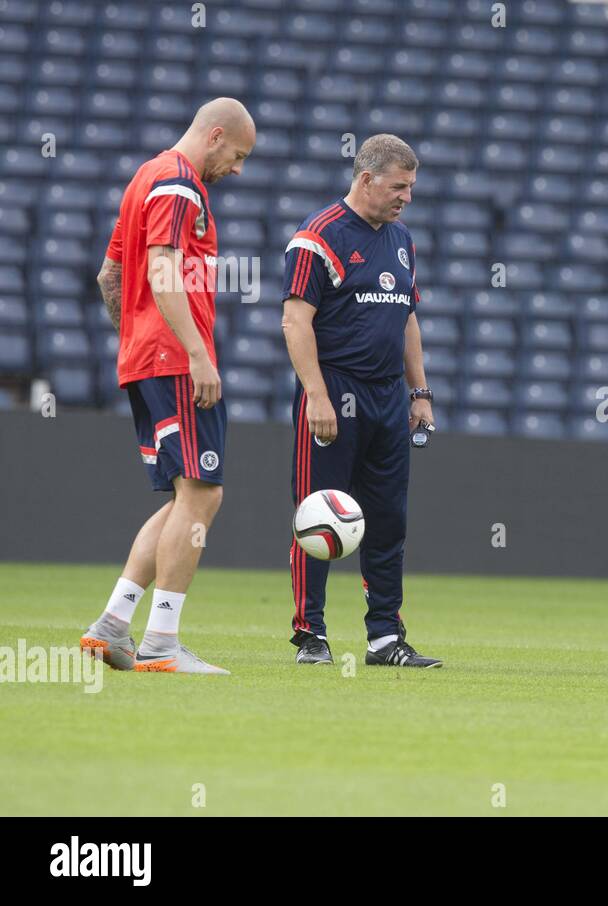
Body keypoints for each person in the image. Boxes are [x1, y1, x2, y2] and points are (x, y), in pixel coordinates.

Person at [79, 98, 256, 675]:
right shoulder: (180, 183)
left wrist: (136, 340)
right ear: (216, 135)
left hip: (145, 358)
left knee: (187, 497)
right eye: (237, 155)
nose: (238, 169)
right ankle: (161, 642)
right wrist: (196, 354)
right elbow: (160, 268)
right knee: (204, 493)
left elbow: (110, 275)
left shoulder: (145, 177)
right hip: (175, 360)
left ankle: (112, 625)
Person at [280, 134, 440, 668]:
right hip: (335, 390)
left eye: (412, 187)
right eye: (400, 186)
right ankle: (311, 633)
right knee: (316, 516)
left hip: (388, 398)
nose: (407, 197)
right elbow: (294, 320)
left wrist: (418, 392)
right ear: (366, 179)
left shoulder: (402, 240)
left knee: (389, 519)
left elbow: (407, 317)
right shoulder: (317, 237)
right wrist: (317, 396)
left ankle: (385, 637)